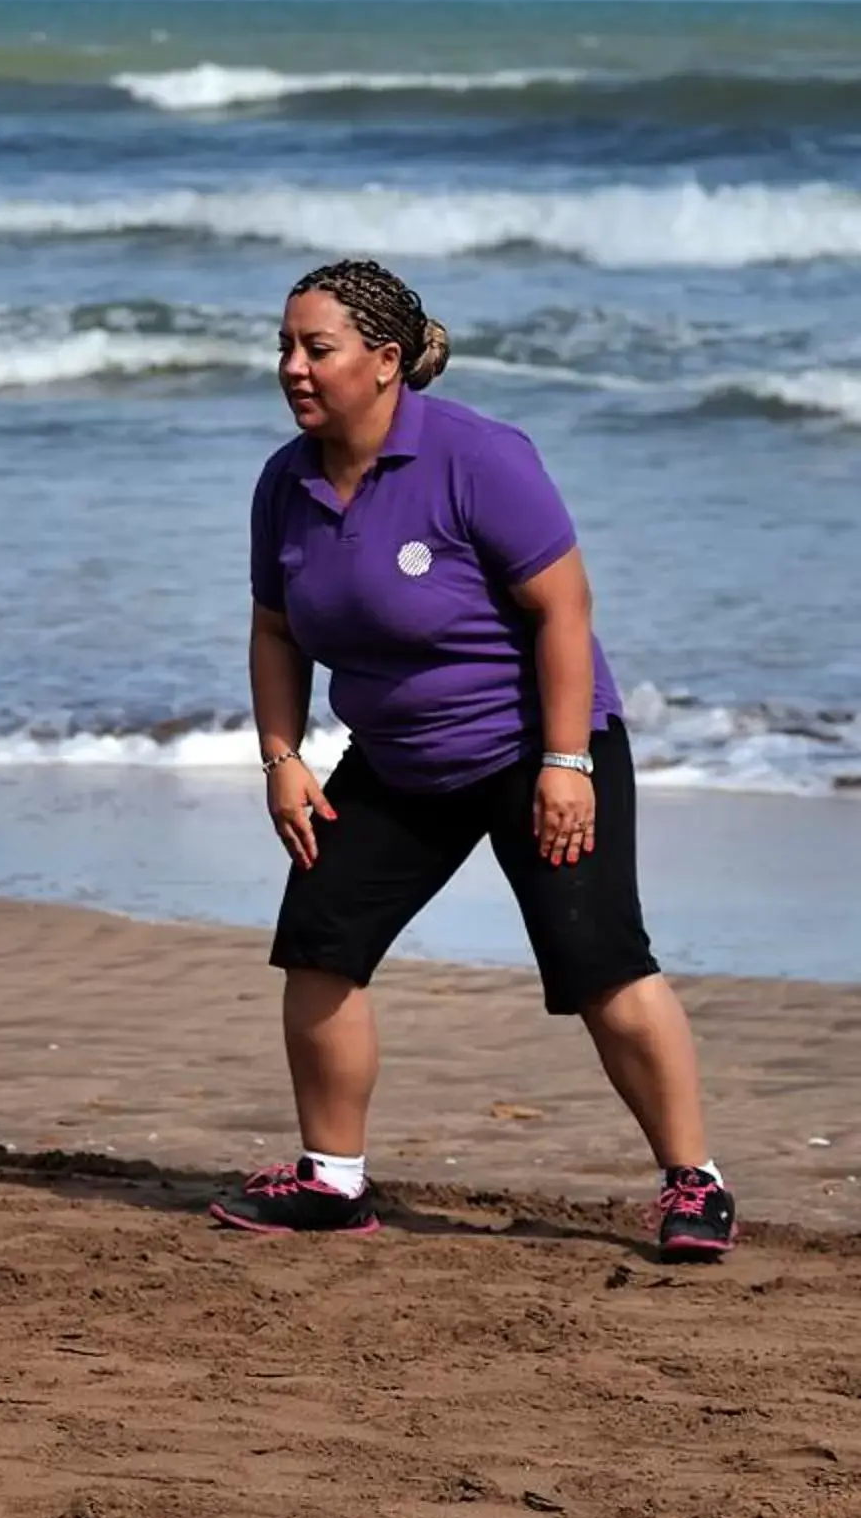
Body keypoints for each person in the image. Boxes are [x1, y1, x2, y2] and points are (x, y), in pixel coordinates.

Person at [209, 258, 734, 1260]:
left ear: (387, 360)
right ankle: (331, 1179)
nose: (292, 367)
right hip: (398, 759)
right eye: (284, 345)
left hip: (532, 746)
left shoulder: (477, 457)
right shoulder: (286, 481)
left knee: (600, 964)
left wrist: (567, 763)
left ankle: (694, 1184)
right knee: (320, 941)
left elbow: (563, 613)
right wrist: (282, 755)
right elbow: (276, 632)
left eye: (316, 347)